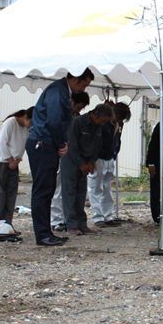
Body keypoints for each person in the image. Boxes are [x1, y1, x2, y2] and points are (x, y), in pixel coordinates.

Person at [25, 69, 94, 247]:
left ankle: (45, 232)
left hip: (45, 142)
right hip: (43, 142)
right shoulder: (58, 91)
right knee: (43, 190)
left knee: (47, 189)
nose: (83, 90)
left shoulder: (61, 90)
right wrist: (60, 143)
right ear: (76, 79)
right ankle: (42, 234)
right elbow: (55, 120)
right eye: (84, 85)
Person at [59, 103, 113, 236]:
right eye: (103, 120)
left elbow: (98, 145)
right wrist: (81, 163)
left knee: (81, 194)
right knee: (70, 193)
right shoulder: (78, 122)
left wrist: (91, 162)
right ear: (95, 114)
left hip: (86, 163)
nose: (103, 124)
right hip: (71, 161)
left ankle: (82, 224)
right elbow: (72, 145)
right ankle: (72, 226)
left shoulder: (98, 126)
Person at [0, 107, 33, 226]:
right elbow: (2, 143)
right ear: (26, 117)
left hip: (13, 164)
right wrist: (10, 160)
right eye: (32, 122)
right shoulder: (11, 122)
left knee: (10, 196)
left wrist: (16, 161)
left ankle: (7, 225)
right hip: (0, 162)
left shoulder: (27, 128)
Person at [87, 101, 131, 228]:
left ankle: (107, 215)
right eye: (118, 117)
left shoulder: (118, 123)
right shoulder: (103, 122)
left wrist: (115, 153)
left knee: (107, 188)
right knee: (95, 187)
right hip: (98, 157)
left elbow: (118, 139)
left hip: (110, 157)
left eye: (121, 119)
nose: (118, 120)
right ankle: (98, 217)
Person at [51, 91, 90, 232]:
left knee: (70, 190)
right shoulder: (61, 115)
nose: (79, 110)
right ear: (72, 102)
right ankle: (57, 219)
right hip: (60, 153)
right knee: (59, 188)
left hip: (71, 154)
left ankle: (67, 218)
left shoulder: (76, 117)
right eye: (79, 107)